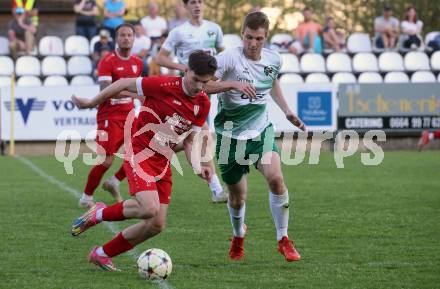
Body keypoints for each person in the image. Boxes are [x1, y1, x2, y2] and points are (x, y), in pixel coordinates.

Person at [70, 50, 217, 271]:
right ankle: (98, 213)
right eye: (195, 79)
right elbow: (122, 84)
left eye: (204, 82)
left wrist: (198, 166)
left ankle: (101, 254)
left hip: (162, 160)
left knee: (156, 224)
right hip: (139, 151)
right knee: (149, 208)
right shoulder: (163, 85)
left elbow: (189, 141)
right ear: (186, 70)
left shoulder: (203, 104)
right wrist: (92, 102)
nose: (198, 86)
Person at [204, 11, 305, 262]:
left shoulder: (274, 59)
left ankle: (283, 238)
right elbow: (205, 85)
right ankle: (238, 236)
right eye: (249, 37)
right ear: (242, 34)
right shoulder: (228, 58)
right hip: (229, 137)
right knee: (238, 199)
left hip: (261, 131)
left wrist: (287, 112)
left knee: (276, 179)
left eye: (258, 39)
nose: (253, 43)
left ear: (265, 37)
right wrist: (233, 85)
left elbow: (272, 82)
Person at [155, 0, 227, 203]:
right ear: (186, 6)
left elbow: (223, 56)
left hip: (207, 90)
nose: (197, 5)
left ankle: (146, 159)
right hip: (187, 92)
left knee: (187, 139)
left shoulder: (215, 29)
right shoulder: (179, 32)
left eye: (200, 1)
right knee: (201, 134)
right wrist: (184, 68)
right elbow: (160, 58)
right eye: (193, 2)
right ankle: (216, 188)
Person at [78, 23, 143, 208]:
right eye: (122, 35)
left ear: (134, 38)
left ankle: (114, 182)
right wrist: (135, 95)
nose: (126, 38)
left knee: (139, 154)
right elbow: (105, 91)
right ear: (117, 38)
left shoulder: (138, 63)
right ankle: (86, 197)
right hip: (109, 116)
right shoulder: (107, 61)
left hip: (130, 115)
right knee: (106, 160)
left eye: (129, 35)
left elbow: (140, 87)